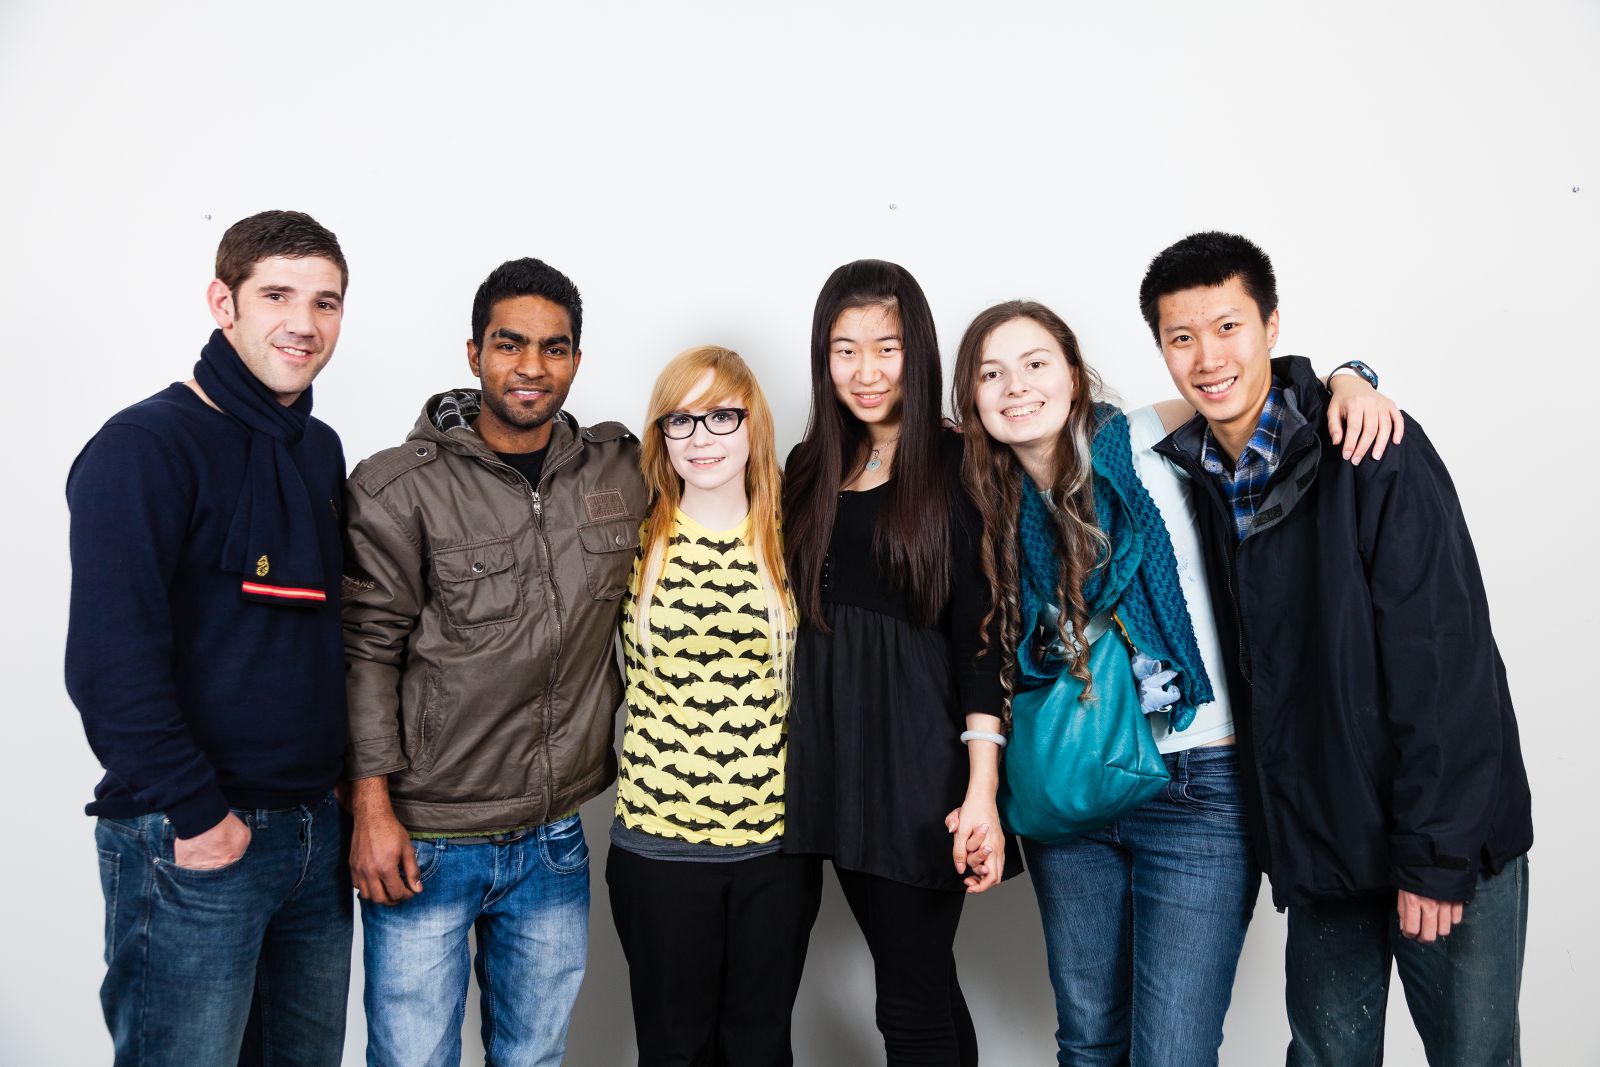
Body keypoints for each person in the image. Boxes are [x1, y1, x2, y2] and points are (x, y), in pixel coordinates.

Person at [951, 299, 1401, 1066]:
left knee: (1173, 1054)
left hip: (1201, 786)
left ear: (1073, 375)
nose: (1016, 386)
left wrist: (1350, 379)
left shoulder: (1149, 435)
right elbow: (979, 652)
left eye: (1035, 363)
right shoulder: (978, 503)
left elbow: (1264, 393)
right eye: (992, 374)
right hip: (1069, 789)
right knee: (1089, 1041)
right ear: (972, 398)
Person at [1142, 231, 1532, 1067]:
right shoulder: (1196, 473)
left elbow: (1446, 662)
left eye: (1228, 327)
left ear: (1271, 324)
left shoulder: (1371, 449)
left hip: (1445, 840)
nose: (1208, 358)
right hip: (1325, 845)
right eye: (1182, 337)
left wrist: (1436, 854)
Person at [341, 257, 646, 1067]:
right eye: (510, 344)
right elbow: (364, 653)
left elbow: (729, 464)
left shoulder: (621, 467)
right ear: (474, 352)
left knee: (534, 1058)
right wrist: (371, 809)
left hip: (553, 835)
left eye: (554, 348)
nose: (532, 367)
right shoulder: (396, 488)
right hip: (426, 837)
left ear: (576, 359)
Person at [66, 209, 354, 1066]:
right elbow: (109, 666)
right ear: (222, 303)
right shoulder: (143, 446)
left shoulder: (318, 449)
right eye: (277, 295)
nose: (304, 323)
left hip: (313, 837)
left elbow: (326, 635)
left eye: (326, 302)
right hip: (193, 839)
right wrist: (201, 818)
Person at [780, 260, 1006, 1067]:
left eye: (887, 347)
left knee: (907, 1001)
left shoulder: (961, 462)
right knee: (925, 983)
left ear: (919, 351)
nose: (867, 371)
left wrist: (981, 790)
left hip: (915, 768)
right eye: (845, 350)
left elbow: (981, 641)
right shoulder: (809, 465)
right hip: (827, 758)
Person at [606, 345, 822, 1066]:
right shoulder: (629, 537)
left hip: (775, 847)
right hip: (658, 845)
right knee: (673, 1049)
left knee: (760, 1048)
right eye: (681, 419)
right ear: (661, 434)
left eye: (721, 416)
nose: (701, 437)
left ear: (753, 423)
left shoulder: (798, 536)